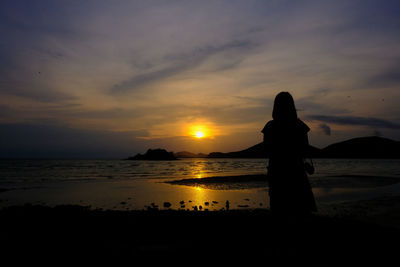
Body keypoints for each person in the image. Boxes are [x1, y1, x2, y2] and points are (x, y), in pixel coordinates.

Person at [262, 92, 317, 216]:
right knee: (299, 207)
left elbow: (266, 150)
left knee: (278, 207)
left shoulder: (270, 127)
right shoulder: (300, 126)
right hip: (296, 170)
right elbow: (305, 149)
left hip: (277, 170)